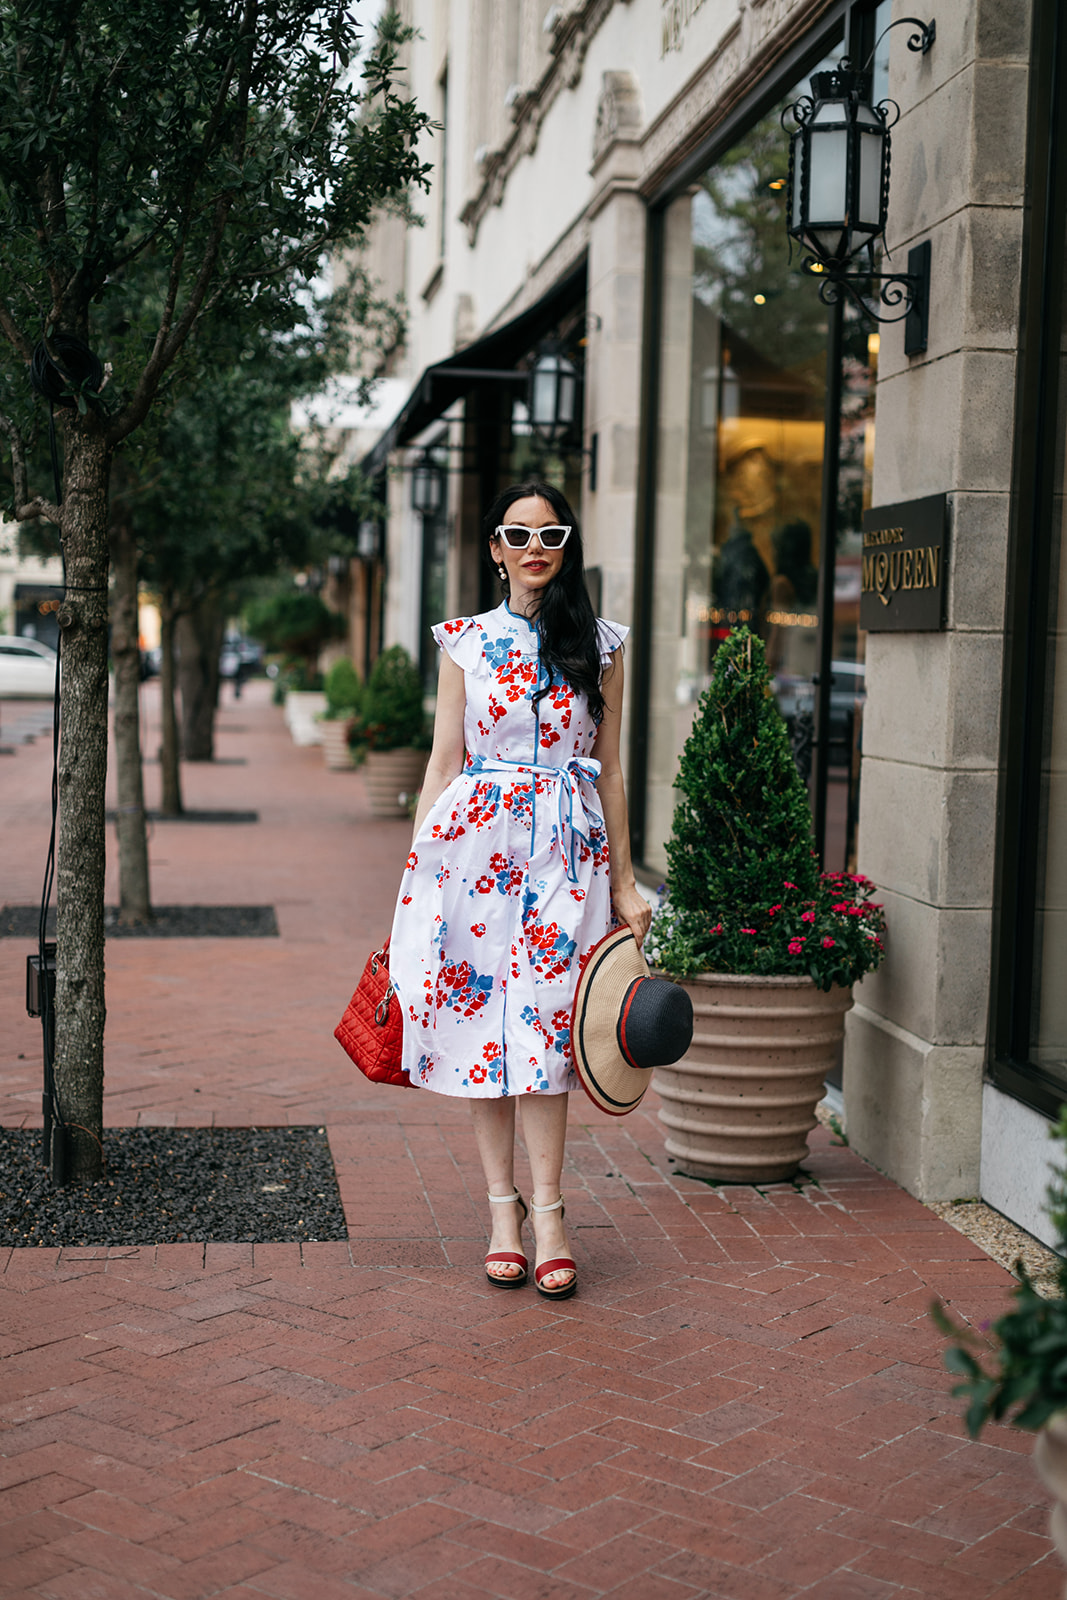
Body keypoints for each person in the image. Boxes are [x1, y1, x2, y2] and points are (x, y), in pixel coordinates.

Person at [388, 480, 651, 1300]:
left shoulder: (599, 643)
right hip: (471, 855)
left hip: (564, 858)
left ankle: (550, 1216)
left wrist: (627, 882)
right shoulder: (464, 642)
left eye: (551, 534)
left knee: (543, 1038)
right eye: (518, 534)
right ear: (493, 549)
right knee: (481, 1037)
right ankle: (502, 1212)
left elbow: (608, 772)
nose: (535, 548)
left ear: (566, 547)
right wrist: (415, 868)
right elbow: (441, 762)